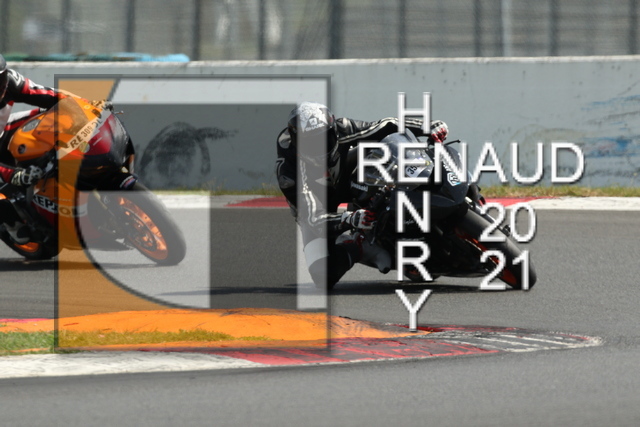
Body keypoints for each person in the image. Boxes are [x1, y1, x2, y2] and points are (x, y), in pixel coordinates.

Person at [275, 101, 448, 289]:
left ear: (333, 131)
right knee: (322, 274)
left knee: (383, 154)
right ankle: (358, 245)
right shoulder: (289, 174)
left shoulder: (343, 129)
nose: (319, 148)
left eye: (324, 139)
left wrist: (427, 127)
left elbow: (385, 125)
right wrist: (349, 219)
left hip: (347, 177)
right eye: (311, 143)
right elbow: (313, 218)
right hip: (319, 207)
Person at [0, 54, 71, 243]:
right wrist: (13, 175)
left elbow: (50, 95)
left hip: (3, 130)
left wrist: (85, 106)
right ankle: (10, 222)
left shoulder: (11, 81)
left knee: (52, 116)